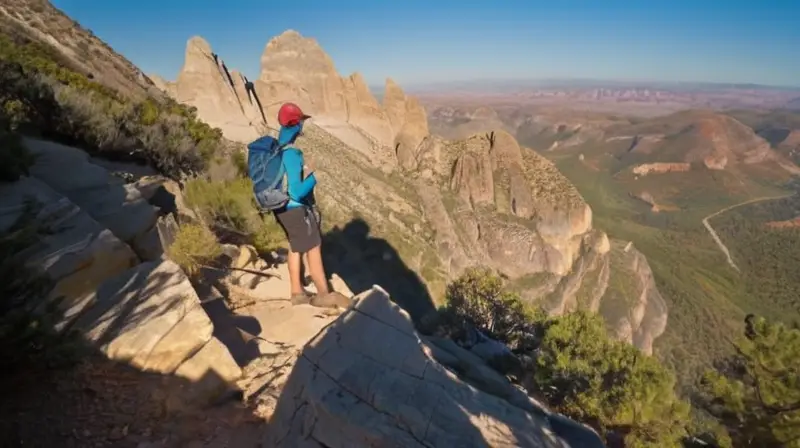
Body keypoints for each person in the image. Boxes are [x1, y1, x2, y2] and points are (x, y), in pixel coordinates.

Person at [249, 102, 330, 304]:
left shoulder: (277, 149)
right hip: (295, 208)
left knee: (295, 246)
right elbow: (296, 191)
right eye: (301, 121)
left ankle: (297, 293)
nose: (302, 125)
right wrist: (314, 177)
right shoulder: (292, 153)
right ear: (296, 124)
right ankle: (324, 295)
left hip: (281, 207)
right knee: (314, 246)